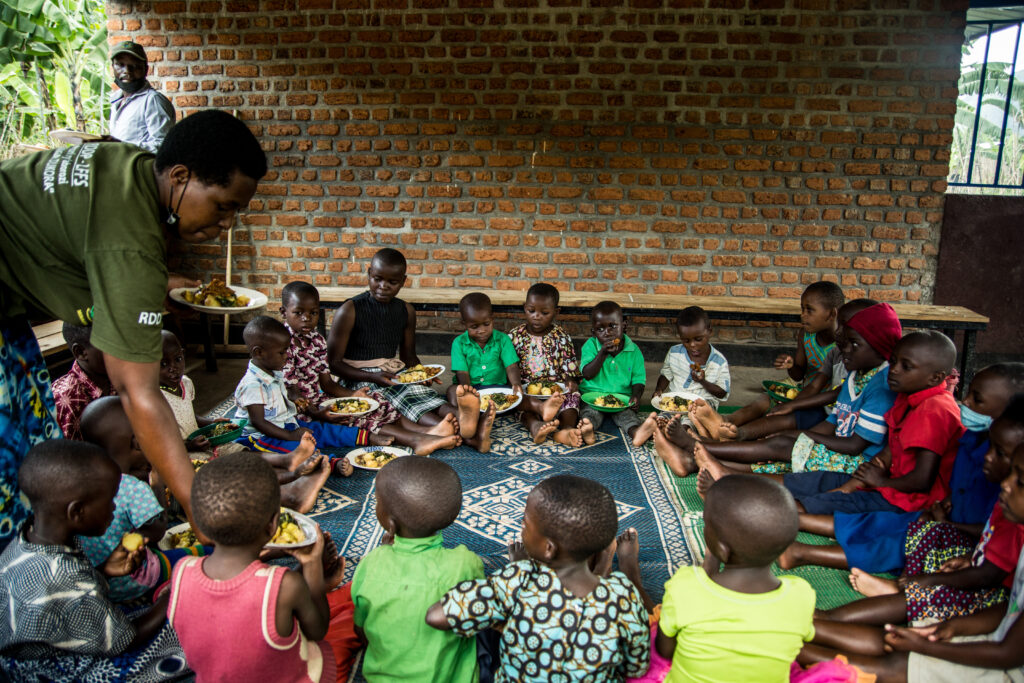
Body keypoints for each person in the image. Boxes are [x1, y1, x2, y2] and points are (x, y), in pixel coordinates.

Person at [0, 109, 266, 545]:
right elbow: (137, 391)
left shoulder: (128, 165)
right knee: (11, 483)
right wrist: (196, 505)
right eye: (223, 206)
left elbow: (98, 247)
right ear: (180, 176)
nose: (226, 224)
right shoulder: (135, 242)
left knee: (30, 452)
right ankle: (28, 586)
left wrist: (152, 287)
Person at [799, 442, 1024, 682]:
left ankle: (787, 643)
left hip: (1008, 664)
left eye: (1020, 482)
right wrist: (956, 627)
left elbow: (1007, 653)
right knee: (895, 641)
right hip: (996, 634)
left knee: (899, 662)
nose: (1006, 484)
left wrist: (928, 646)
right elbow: (1012, 608)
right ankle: (804, 627)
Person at [779, 367, 1024, 574]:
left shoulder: (1008, 470)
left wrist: (946, 524)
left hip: (960, 535)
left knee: (896, 543)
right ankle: (790, 520)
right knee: (878, 522)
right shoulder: (973, 439)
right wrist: (944, 506)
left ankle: (804, 552)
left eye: (977, 399)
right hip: (937, 515)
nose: (965, 402)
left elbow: (994, 530)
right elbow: (957, 487)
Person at [426, 474, 650, 681]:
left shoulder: (518, 580)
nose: (522, 527)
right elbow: (636, 668)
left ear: (549, 548)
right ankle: (603, 567)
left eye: (525, 523)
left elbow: (436, 616)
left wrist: (503, 621)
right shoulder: (623, 595)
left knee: (487, 621)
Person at [0, 440, 185, 681]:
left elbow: (63, 604)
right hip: (52, 670)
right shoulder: (67, 580)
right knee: (183, 638)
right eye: (109, 500)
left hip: (36, 650)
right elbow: (124, 640)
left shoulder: (25, 542)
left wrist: (104, 571)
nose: (114, 507)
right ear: (76, 512)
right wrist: (170, 599)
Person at [166, 451, 355, 683]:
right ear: (274, 523)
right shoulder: (285, 584)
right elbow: (318, 631)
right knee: (346, 626)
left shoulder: (182, 570)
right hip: (287, 675)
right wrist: (312, 565)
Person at [657, 302, 902, 480]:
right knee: (781, 446)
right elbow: (833, 420)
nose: (844, 348)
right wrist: (801, 436)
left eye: (853, 343)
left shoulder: (879, 385)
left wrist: (805, 438)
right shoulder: (856, 375)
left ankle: (698, 448)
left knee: (783, 450)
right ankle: (704, 456)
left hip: (854, 464)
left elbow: (855, 446)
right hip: (837, 446)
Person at [754, 332, 963, 526]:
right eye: (893, 362)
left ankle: (770, 516)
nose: (894, 369)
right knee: (820, 482)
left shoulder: (934, 410)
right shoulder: (907, 397)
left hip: (909, 500)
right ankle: (739, 484)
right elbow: (890, 450)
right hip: (886, 482)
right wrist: (853, 484)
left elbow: (922, 479)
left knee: (834, 505)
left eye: (906, 366)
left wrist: (879, 482)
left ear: (935, 378)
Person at [657, 475, 815, 682]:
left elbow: (665, 651)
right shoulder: (801, 594)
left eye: (707, 524)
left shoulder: (685, 587)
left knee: (655, 624)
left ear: (722, 549)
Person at [160, 330, 332, 513]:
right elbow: (155, 444)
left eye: (178, 359)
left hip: (204, 443)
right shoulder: (153, 399)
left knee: (241, 455)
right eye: (163, 364)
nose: (174, 368)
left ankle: (288, 465)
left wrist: (210, 422)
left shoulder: (185, 383)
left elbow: (188, 415)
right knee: (223, 474)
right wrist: (188, 445)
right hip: (182, 456)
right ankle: (289, 496)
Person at [280, 281, 459, 456]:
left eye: (313, 313)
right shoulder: (283, 344)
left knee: (376, 401)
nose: (306, 318)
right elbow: (293, 395)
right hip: (298, 408)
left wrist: (353, 395)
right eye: (298, 313)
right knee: (356, 418)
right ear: (283, 312)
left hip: (321, 399)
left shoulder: (317, 340)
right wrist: (317, 412)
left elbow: (327, 384)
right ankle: (416, 440)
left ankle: (427, 432)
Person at [351, 456, 484, 682]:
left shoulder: (371, 564)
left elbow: (361, 631)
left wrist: (386, 555)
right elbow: (479, 617)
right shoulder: (466, 563)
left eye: (376, 502)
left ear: (390, 524)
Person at [78, 396, 212, 602]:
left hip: (99, 582)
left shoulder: (81, 482)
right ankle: (166, 590)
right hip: (134, 579)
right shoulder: (132, 488)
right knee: (208, 552)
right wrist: (157, 482)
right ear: (138, 443)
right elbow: (158, 530)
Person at [234, 316, 391, 476]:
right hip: (260, 437)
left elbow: (278, 402)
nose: (286, 356)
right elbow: (258, 422)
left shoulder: (273, 372)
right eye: (281, 352)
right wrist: (290, 435)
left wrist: (297, 407)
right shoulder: (253, 384)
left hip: (286, 424)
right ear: (259, 352)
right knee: (294, 449)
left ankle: (367, 437)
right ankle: (330, 463)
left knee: (322, 430)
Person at [326, 248, 458, 428]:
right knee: (395, 394)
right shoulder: (350, 310)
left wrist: (421, 373)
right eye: (377, 279)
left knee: (417, 390)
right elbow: (334, 363)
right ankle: (443, 428)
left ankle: (462, 418)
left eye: (392, 282)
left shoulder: (406, 311)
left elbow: (408, 357)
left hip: (389, 373)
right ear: (369, 274)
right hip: (356, 375)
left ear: (403, 281)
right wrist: (373, 377)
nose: (383, 286)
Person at [711, 281, 844, 437]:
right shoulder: (806, 335)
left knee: (785, 417)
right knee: (765, 399)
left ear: (832, 314)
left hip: (822, 401)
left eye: (810, 310)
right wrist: (792, 365)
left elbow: (822, 389)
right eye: (802, 309)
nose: (803, 315)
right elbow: (798, 375)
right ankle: (727, 420)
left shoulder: (843, 346)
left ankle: (736, 434)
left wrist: (794, 405)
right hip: (803, 390)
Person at [509, 283, 587, 447]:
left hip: (555, 392)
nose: (537, 316)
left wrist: (570, 381)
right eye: (532, 311)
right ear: (524, 308)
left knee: (572, 399)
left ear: (556, 312)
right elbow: (509, 365)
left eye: (544, 313)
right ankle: (535, 426)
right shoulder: (515, 336)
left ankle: (566, 430)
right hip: (527, 390)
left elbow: (569, 366)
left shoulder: (561, 337)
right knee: (519, 400)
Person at [446, 291, 521, 451]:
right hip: (472, 389)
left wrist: (516, 383)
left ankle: (538, 408)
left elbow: (511, 366)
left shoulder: (503, 339)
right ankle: (469, 413)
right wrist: (468, 392)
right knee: (452, 391)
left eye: (486, 324)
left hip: (498, 388)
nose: (481, 330)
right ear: (464, 324)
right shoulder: (459, 343)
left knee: (520, 394)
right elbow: (462, 373)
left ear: (492, 319)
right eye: (474, 327)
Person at [578, 301, 646, 441]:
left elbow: (639, 379)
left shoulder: (634, 350)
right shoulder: (590, 346)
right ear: (593, 332)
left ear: (624, 326)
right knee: (589, 414)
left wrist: (636, 396)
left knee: (628, 417)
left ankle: (636, 433)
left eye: (612, 326)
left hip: (621, 399)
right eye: (600, 329)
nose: (607, 333)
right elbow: (587, 374)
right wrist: (602, 354)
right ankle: (587, 429)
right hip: (592, 397)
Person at [651, 305, 730, 410]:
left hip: (703, 404)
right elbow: (666, 375)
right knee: (664, 419)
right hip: (676, 401)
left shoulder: (719, 362)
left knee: (698, 415)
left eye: (698, 339)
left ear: (710, 331)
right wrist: (659, 389)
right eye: (686, 341)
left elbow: (722, 393)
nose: (692, 345)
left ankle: (686, 426)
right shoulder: (674, 353)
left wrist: (703, 382)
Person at [51, 321, 117, 440]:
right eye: (109, 345)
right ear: (81, 352)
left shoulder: (119, 376)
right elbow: (70, 456)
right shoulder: (66, 400)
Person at [107, 41, 175, 153]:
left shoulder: (152, 100)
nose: (127, 71)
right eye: (120, 65)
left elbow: (163, 146)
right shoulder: (116, 100)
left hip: (140, 169)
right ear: (113, 68)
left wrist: (121, 146)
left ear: (146, 69)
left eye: (134, 66)